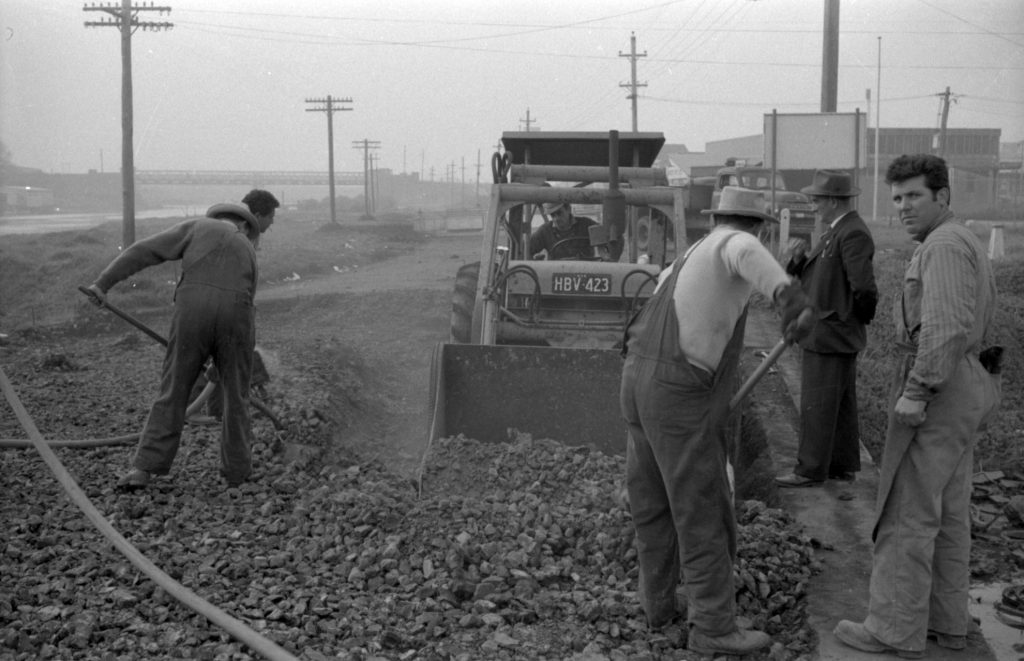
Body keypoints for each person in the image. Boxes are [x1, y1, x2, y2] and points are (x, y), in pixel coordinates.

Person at [619, 186, 815, 656]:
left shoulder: (687, 258)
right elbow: (743, 249)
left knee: (652, 500)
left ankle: (658, 605)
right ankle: (712, 625)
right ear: (760, 225)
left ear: (715, 217)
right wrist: (792, 302)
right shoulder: (735, 243)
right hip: (676, 392)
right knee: (701, 505)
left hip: (637, 379)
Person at [834, 154, 1001, 658]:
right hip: (968, 381)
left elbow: (945, 328)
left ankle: (892, 629)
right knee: (947, 511)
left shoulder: (943, 248)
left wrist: (916, 391)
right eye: (898, 197)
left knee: (906, 512)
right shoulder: (960, 238)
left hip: (941, 387)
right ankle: (944, 624)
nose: (903, 206)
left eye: (914, 196)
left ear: (942, 197)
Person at [85, 189, 280, 490]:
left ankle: (144, 469)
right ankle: (237, 473)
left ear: (218, 217)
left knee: (173, 391)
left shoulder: (196, 227)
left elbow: (142, 251)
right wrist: (223, 365)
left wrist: (102, 284)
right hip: (237, 320)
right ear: (244, 225)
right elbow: (245, 306)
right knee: (237, 398)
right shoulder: (247, 249)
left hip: (192, 314)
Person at [775, 169, 878, 487]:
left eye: (818, 200)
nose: (814, 205)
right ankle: (840, 464)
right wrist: (795, 260)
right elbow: (817, 274)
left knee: (817, 403)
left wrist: (852, 317)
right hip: (831, 331)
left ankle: (809, 470)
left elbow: (864, 288)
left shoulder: (852, 233)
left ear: (834, 200)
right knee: (840, 404)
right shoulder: (836, 230)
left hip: (832, 332)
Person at [528, 201, 597, 259]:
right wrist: (534, 259)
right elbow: (526, 250)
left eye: (559, 213)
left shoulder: (586, 225)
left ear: (569, 209)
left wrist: (603, 251)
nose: (556, 219)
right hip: (556, 273)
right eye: (553, 215)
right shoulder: (545, 231)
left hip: (584, 272)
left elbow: (605, 238)